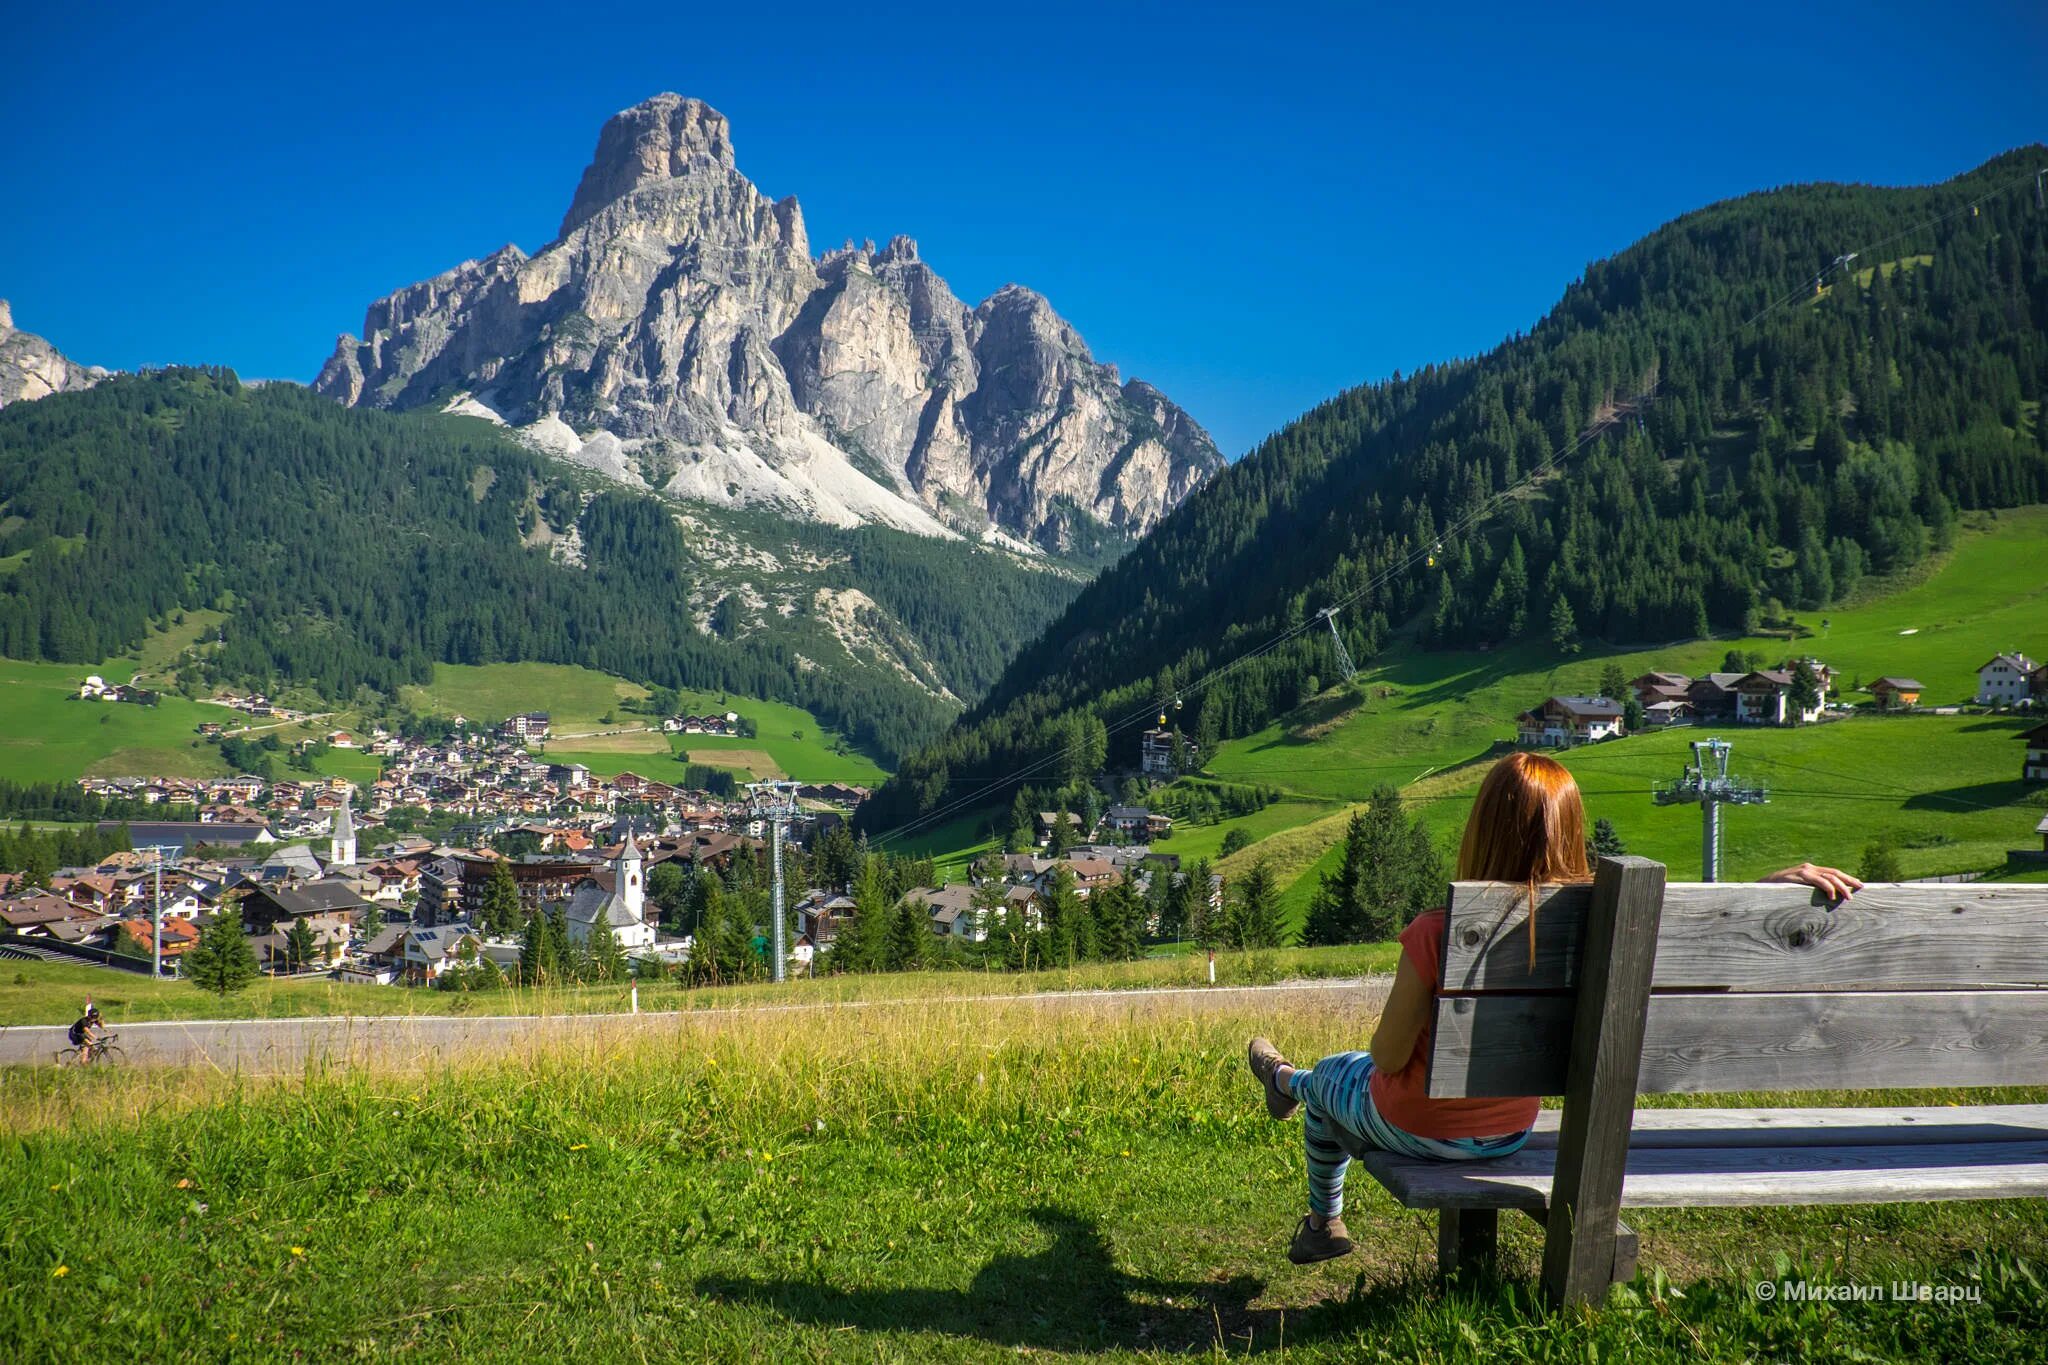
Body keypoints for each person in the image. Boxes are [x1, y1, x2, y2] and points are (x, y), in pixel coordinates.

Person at [1247, 750, 1862, 1264]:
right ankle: (1293, 1105)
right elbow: (1691, 926)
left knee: (1333, 1079)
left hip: (1420, 1128)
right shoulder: (1611, 921)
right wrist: (1764, 892)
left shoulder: (1438, 932)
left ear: (1482, 829)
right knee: (1333, 1090)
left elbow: (1386, 1056)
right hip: (1510, 1128)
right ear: (1572, 829)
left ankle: (1294, 1115)